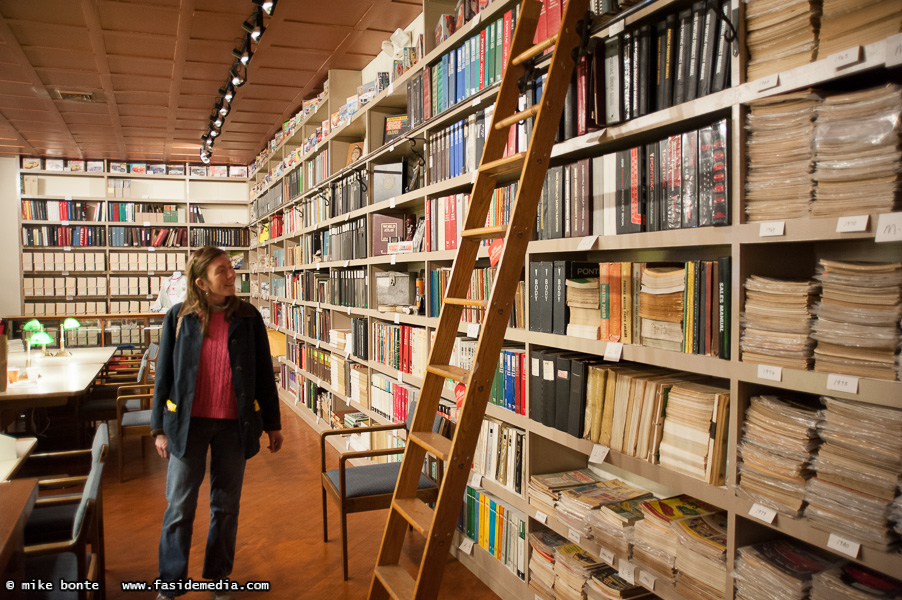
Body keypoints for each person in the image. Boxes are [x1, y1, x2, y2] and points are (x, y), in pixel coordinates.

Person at [150, 246, 283, 600]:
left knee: (225, 507)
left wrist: (273, 423)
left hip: (233, 427)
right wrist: (158, 428)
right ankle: (171, 581)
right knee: (179, 506)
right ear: (201, 282)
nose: (231, 275)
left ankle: (218, 575)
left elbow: (263, 375)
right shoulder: (178, 318)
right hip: (186, 426)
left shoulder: (249, 317)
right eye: (221, 271)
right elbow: (163, 377)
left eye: (231, 268)